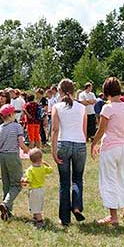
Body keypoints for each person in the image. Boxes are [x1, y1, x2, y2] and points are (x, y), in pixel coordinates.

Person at [91, 77, 124, 226]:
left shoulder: (107, 108)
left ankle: (113, 216)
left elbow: (101, 130)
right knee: (122, 178)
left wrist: (93, 143)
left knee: (109, 180)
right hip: (122, 146)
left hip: (110, 148)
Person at [51, 78, 87, 226]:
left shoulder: (57, 107)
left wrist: (53, 151)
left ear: (60, 91)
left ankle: (64, 218)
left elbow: (55, 130)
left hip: (63, 143)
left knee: (64, 182)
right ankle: (77, 207)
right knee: (77, 179)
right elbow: (84, 131)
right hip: (80, 144)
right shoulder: (82, 108)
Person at [0, 104, 29, 221]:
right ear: (10, 115)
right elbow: (21, 143)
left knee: (6, 184)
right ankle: (6, 203)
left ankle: (7, 213)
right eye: (14, 113)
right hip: (12, 155)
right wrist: (30, 151)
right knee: (17, 184)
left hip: (2, 157)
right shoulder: (16, 126)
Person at [20, 148, 52, 229]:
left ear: (30, 159)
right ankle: (35, 218)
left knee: (35, 207)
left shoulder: (30, 170)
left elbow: (28, 180)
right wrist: (45, 163)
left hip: (34, 190)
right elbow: (50, 170)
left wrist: (23, 180)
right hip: (41, 189)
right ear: (41, 158)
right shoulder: (43, 168)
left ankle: (40, 222)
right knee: (37, 205)